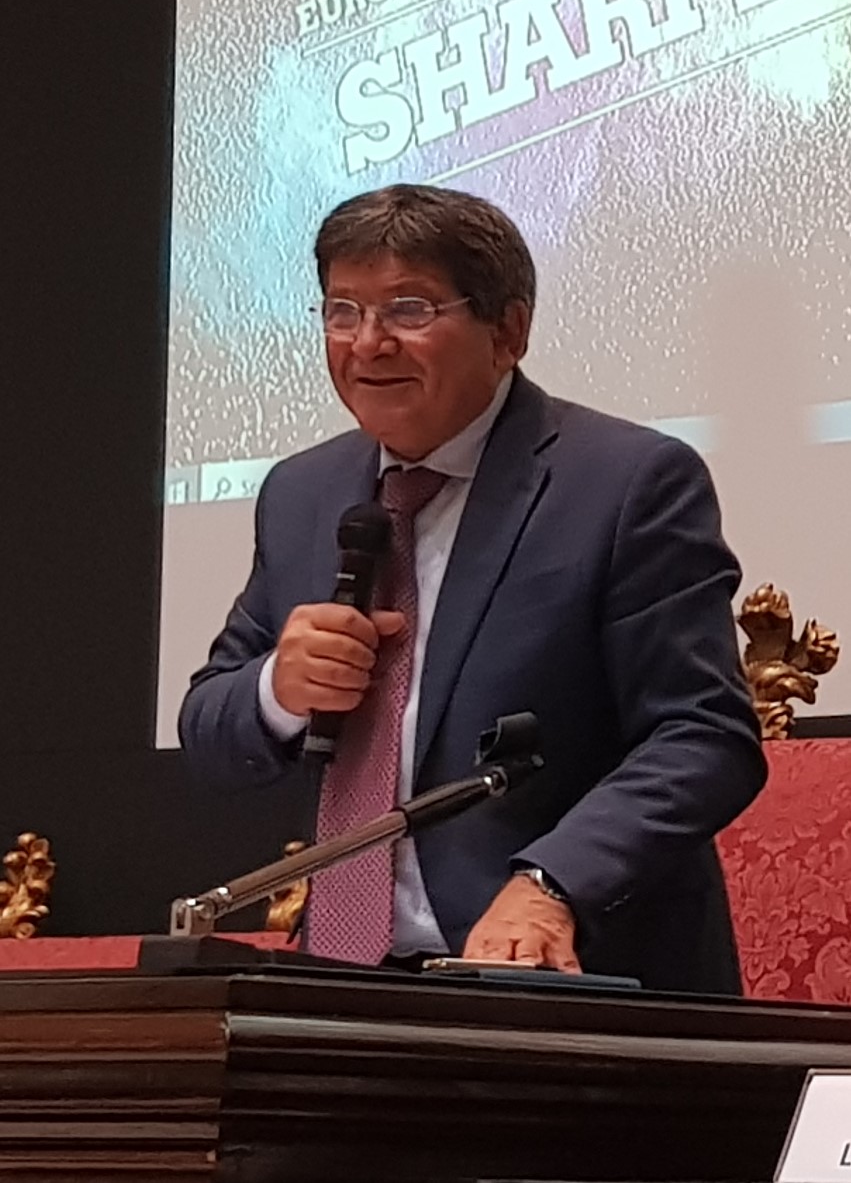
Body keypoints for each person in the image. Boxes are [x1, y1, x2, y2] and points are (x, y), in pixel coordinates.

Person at [179, 183, 766, 991]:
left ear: (508, 330)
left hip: (557, 981)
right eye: (342, 311)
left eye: (409, 309)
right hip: (342, 989)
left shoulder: (625, 483)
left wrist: (552, 883)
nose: (368, 342)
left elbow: (703, 737)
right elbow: (209, 729)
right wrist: (279, 689)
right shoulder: (301, 492)